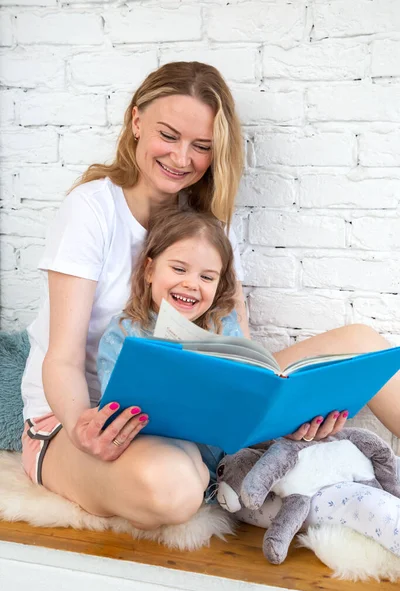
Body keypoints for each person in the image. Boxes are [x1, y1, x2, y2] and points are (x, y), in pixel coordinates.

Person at [20, 61, 399, 529]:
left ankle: (210, 460)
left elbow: (241, 349)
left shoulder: (210, 228)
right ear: (136, 122)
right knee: (173, 487)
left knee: (363, 342)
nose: (182, 158)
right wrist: (84, 427)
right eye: (169, 135)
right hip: (88, 422)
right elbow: (62, 357)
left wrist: (287, 414)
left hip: (197, 413)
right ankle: (192, 469)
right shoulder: (92, 209)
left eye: (201, 146)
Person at [96, 203, 244, 488]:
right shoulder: (125, 333)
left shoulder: (224, 325)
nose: (191, 284)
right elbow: (116, 407)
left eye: (206, 277)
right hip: (162, 450)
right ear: (150, 270)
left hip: (225, 454)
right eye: (179, 269)